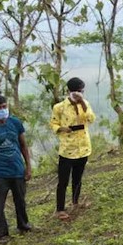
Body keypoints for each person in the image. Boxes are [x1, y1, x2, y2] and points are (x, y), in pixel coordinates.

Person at [0, 95, 33, 243]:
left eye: (4, 106)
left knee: (20, 200)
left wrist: (28, 167)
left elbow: (23, 145)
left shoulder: (15, 123)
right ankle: (2, 235)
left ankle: (23, 226)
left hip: (17, 170)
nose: (2, 110)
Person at [50, 77, 96, 220]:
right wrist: (61, 128)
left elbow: (91, 119)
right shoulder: (59, 107)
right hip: (67, 148)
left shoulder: (85, 104)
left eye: (81, 91)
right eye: (76, 91)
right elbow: (53, 123)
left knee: (78, 177)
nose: (78, 93)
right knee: (63, 180)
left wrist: (82, 102)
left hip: (83, 147)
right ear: (69, 91)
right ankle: (60, 209)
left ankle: (75, 202)